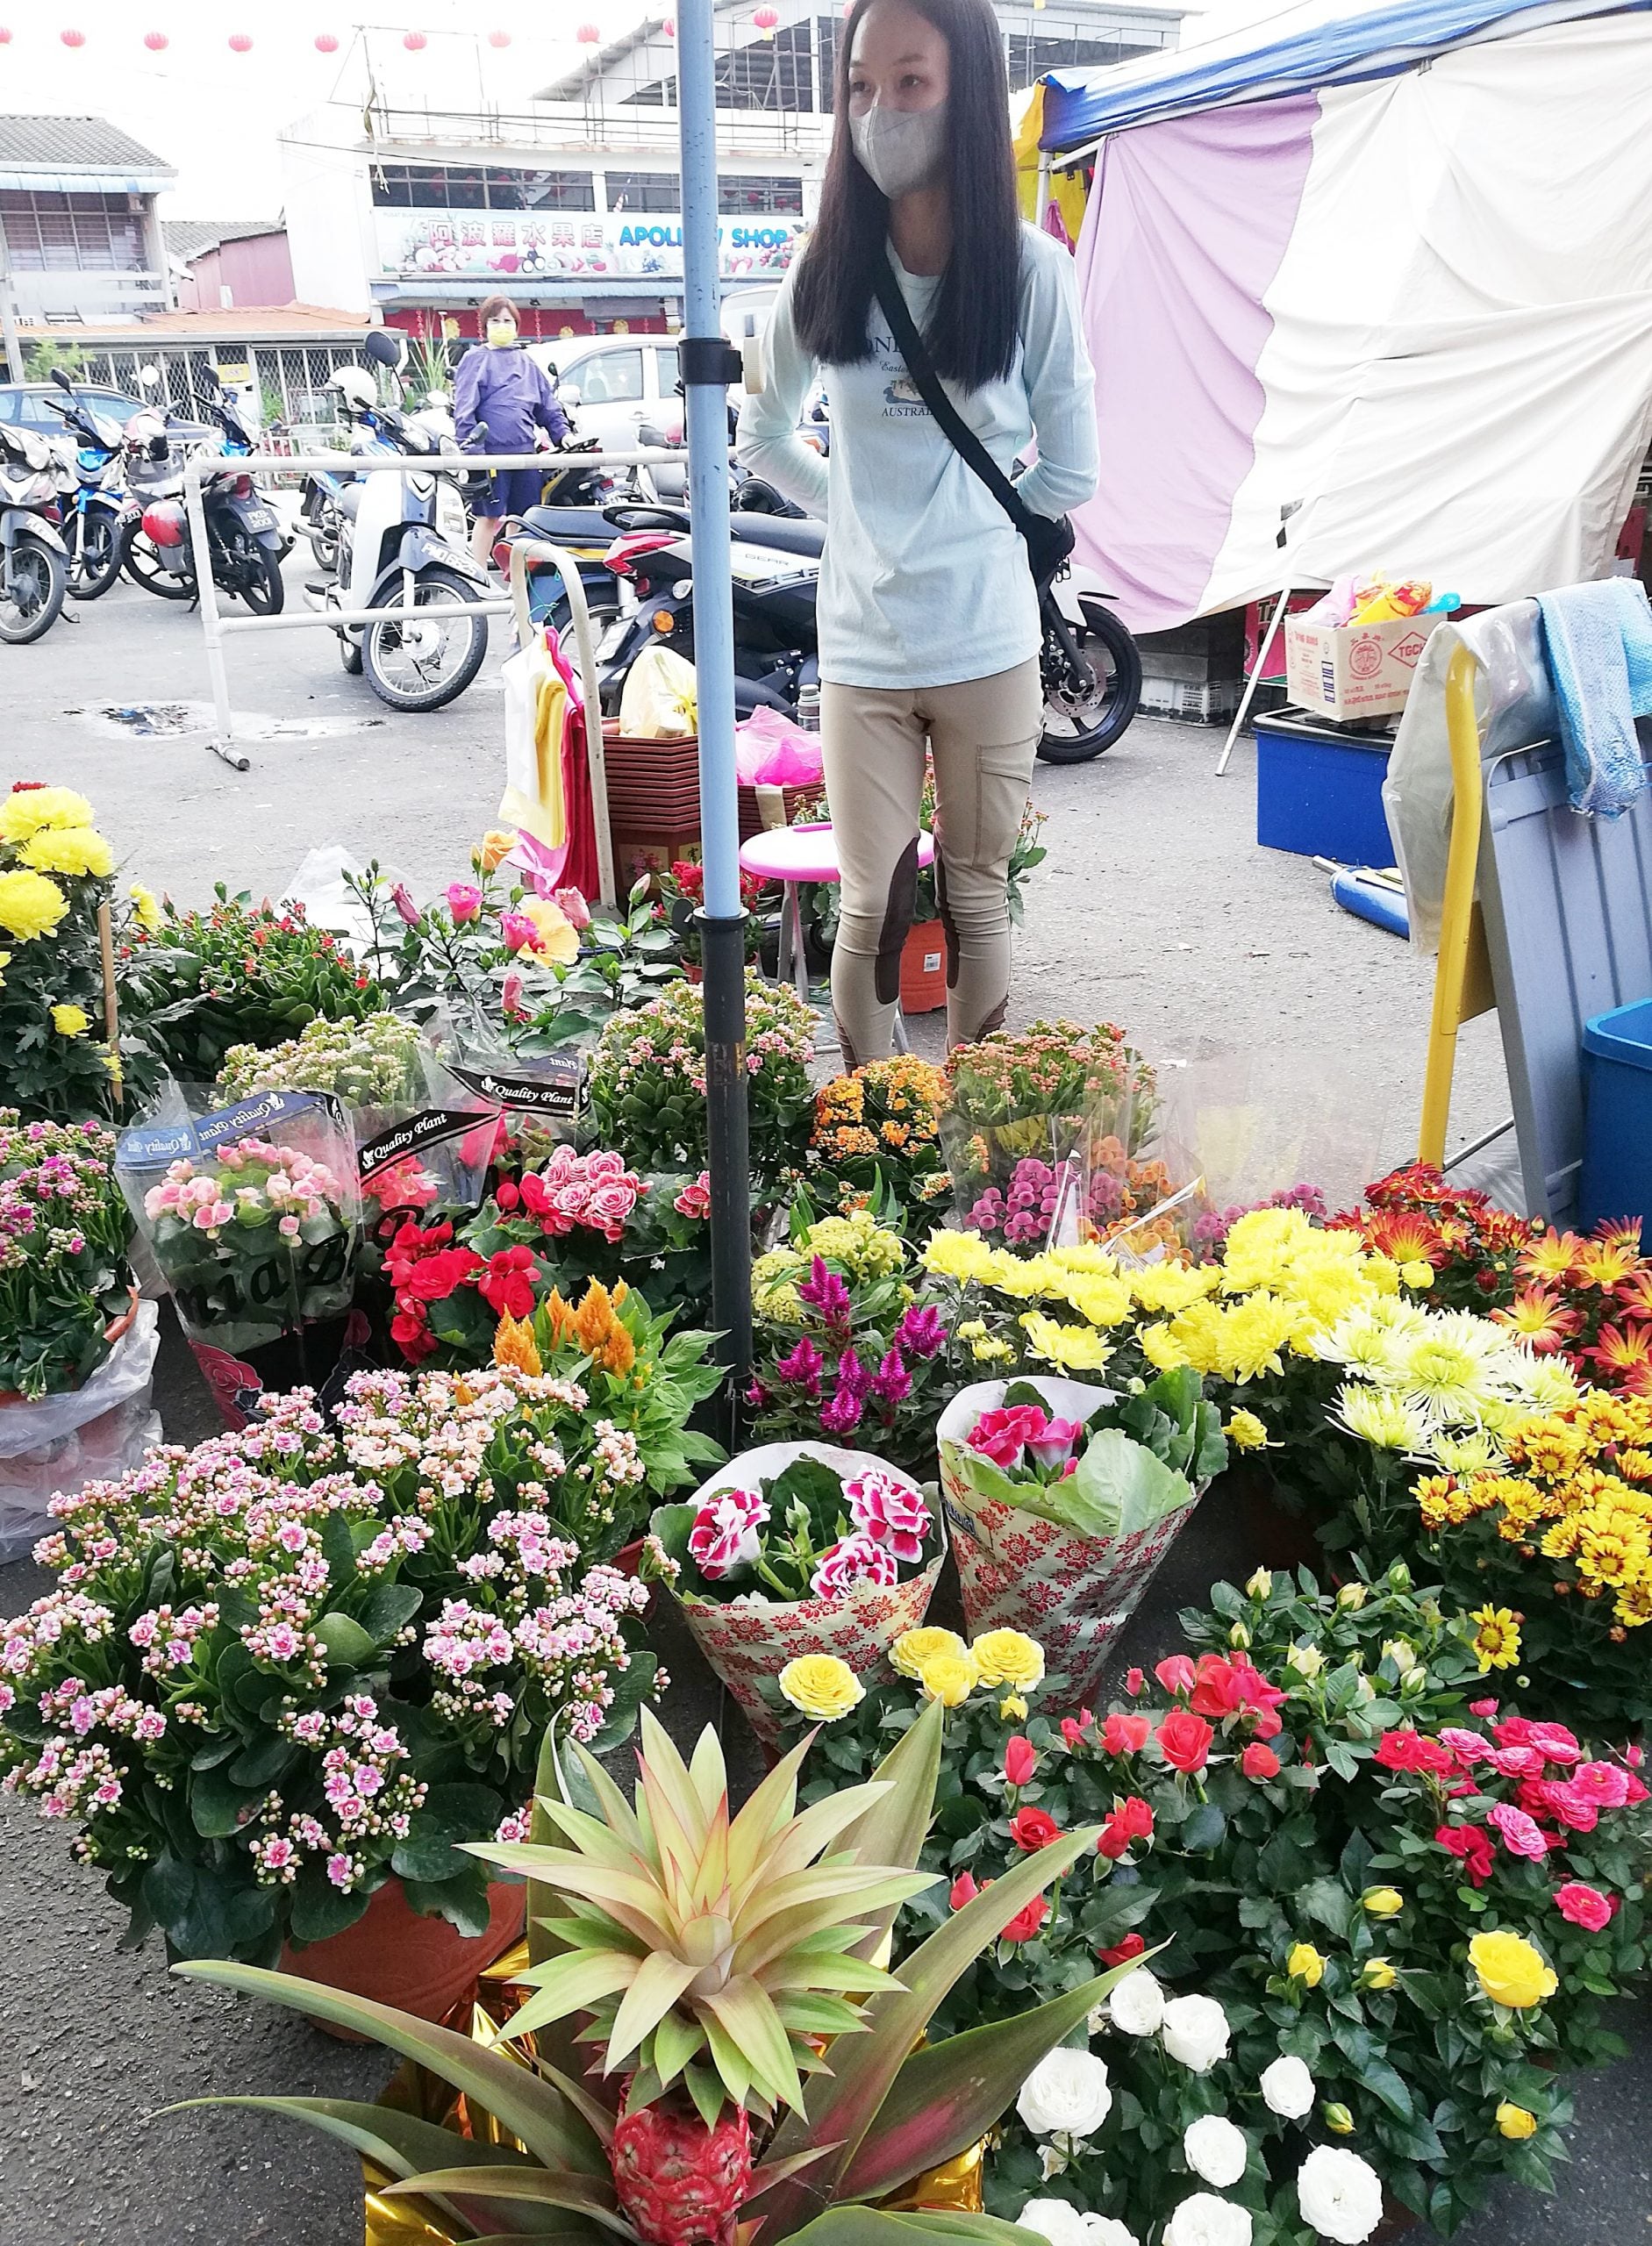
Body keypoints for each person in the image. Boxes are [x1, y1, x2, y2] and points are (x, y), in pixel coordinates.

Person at [737, 0, 1096, 1067]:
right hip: (859, 650)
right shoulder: (823, 268)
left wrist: (973, 530)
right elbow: (760, 433)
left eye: (910, 83)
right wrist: (848, 508)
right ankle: (875, 1127)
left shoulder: (1030, 273)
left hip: (987, 645)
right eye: (859, 85)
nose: (878, 109)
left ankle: (969, 1133)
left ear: (967, 94)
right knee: (867, 909)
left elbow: (1071, 469)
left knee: (977, 901)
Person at [454, 293, 569, 569]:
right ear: (485, 326)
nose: (501, 325)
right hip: (491, 454)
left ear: (516, 326)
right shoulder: (475, 359)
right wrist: (473, 453)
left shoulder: (526, 362)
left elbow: (547, 406)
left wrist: (562, 434)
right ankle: (477, 577)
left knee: (522, 518)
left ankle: (514, 577)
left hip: (525, 454)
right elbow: (464, 410)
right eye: (495, 320)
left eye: (507, 320)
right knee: (489, 518)